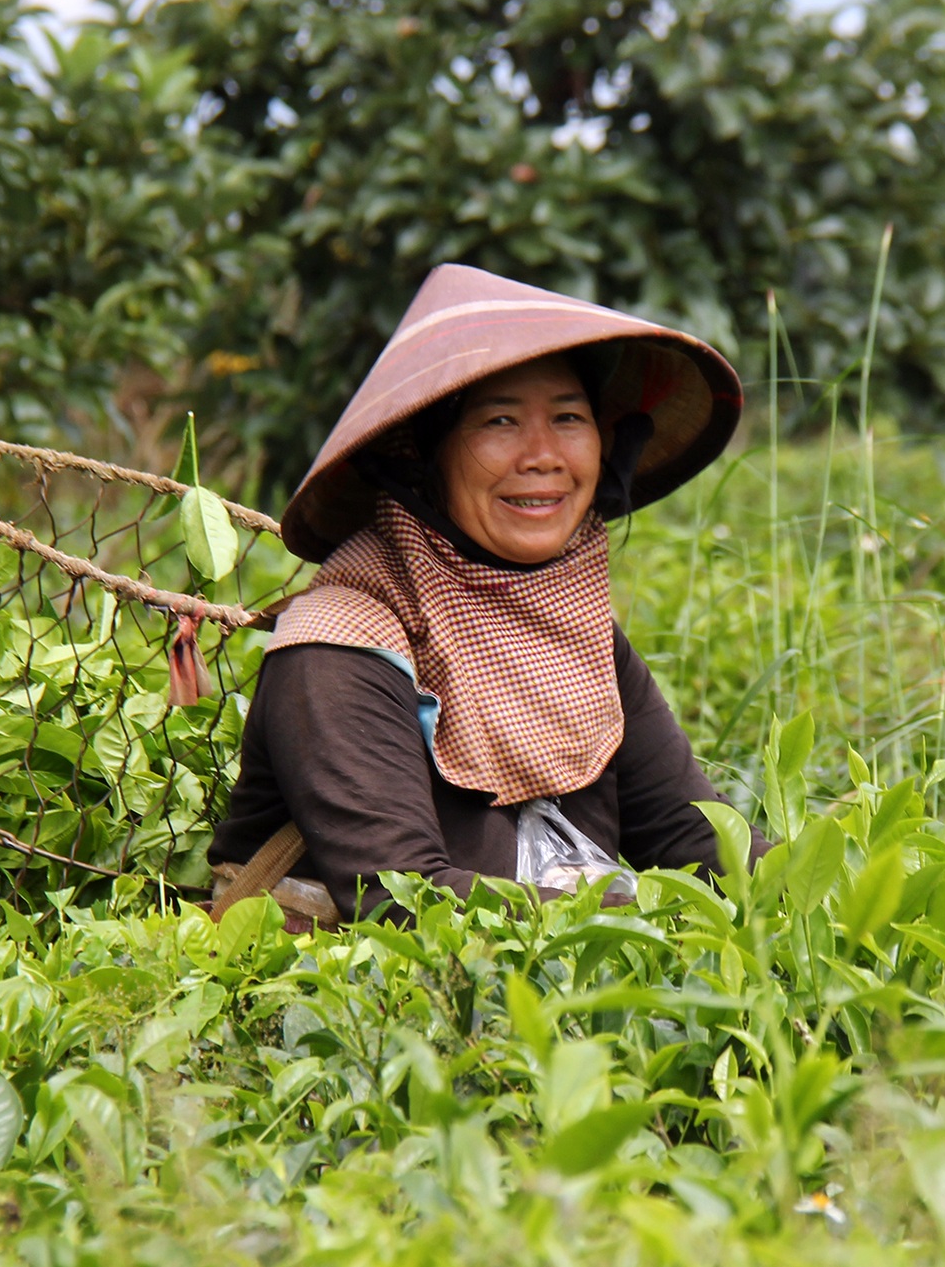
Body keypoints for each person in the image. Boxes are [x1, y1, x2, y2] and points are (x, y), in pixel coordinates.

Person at [210, 264, 766, 924]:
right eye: (500, 420)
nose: (543, 455)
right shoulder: (340, 644)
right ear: (425, 456)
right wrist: (633, 916)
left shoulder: (577, 629)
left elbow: (699, 844)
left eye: (568, 416)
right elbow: (404, 898)